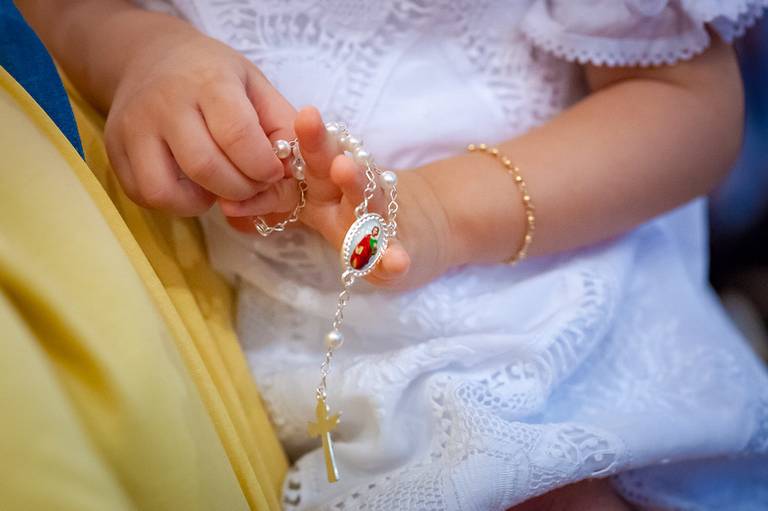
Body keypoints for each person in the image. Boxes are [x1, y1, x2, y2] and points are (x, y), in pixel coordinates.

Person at [18, 0, 768, 509]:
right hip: (262, 355)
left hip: (545, 304)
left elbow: (688, 105)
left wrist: (444, 209)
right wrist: (142, 51)